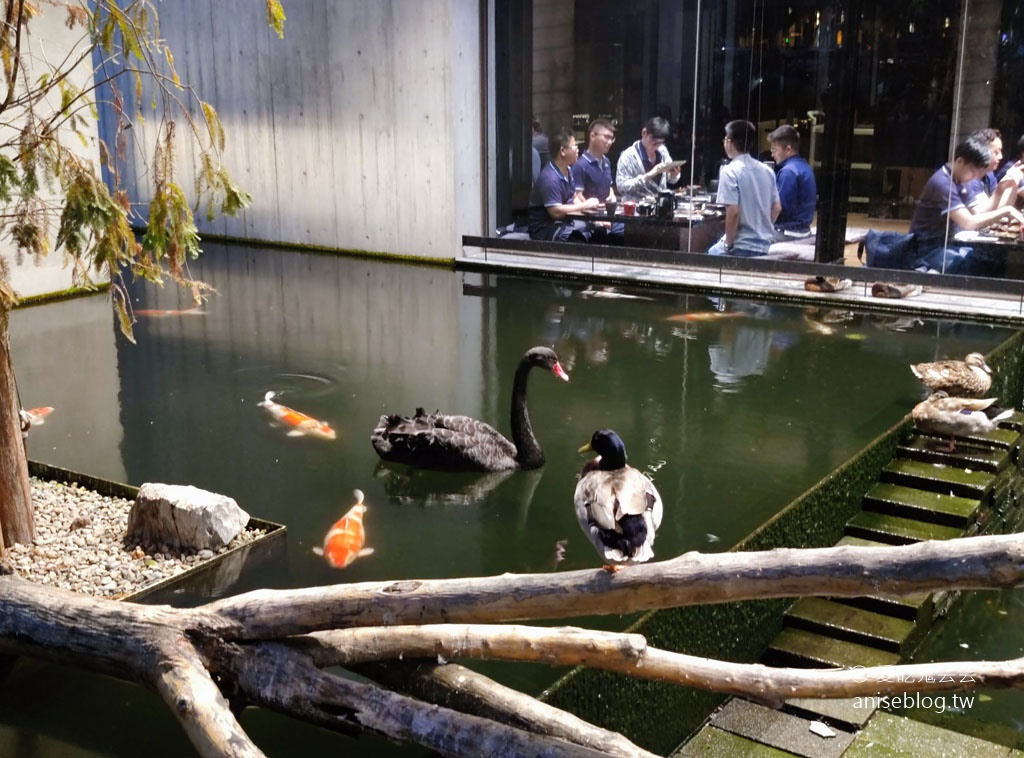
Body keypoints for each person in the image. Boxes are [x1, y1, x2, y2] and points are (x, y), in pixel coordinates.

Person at [909, 133, 1024, 275]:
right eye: (973, 170)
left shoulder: (959, 179)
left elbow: (981, 213)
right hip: (926, 250)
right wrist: (1007, 210)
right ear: (960, 161)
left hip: (945, 245)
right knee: (981, 264)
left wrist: (1002, 188)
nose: (976, 175)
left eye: (978, 171)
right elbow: (968, 222)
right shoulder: (943, 183)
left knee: (990, 260)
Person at [707, 120, 781, 257]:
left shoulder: (729, 171)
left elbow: (733, 212)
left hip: (742, 246)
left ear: (728, 142)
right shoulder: (767, 170)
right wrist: (762, 230)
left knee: (712, 253)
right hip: (764, 244)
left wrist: (728, 244)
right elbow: (777, 207)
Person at [527, 127, 602, 242]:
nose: (578, 149)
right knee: (578, 239)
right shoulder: (550, 178)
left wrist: (592, 216)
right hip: (545, 228)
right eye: (574, 146)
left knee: (598, 230)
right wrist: (585, 205)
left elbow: (574, 197)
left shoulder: (568, 170)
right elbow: (556, 212)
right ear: (563, 151)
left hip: (564, 222)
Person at [571, 118, 623, 243]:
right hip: (589, 220)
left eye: (612, 138)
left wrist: (612, 197)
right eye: (606, 137)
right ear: (593, 136)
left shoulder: (606, 161)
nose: (609, 142)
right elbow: (577, 197)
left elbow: (609, 187)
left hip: (608, 216)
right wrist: (596, 219)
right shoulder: (580, 165)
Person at [615, 116, 683, 202]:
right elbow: (621, 187)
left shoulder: (662, 151)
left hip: (660, 205)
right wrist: (647, 176)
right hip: (636, 207)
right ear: (644, 133)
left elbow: (670, 180)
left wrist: (674, 175)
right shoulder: (628, 156)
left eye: (660, 143)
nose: (656, 146)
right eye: (654, 142)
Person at [767, 124, 817, 239]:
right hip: (803, 229)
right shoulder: (804, 166)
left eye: (774, 150)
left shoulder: (788, 172)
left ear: (788, 149)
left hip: (788, 232)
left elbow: (779, 208)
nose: (772, 154)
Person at [966, 128, 1021, 214]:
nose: (1001, 157)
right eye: (996, 152)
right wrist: (1001, 187)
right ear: (981, 151)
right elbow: (983, 215)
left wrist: (1013, 182)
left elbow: (1000, 208)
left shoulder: (988, 174)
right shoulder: (968, 179)